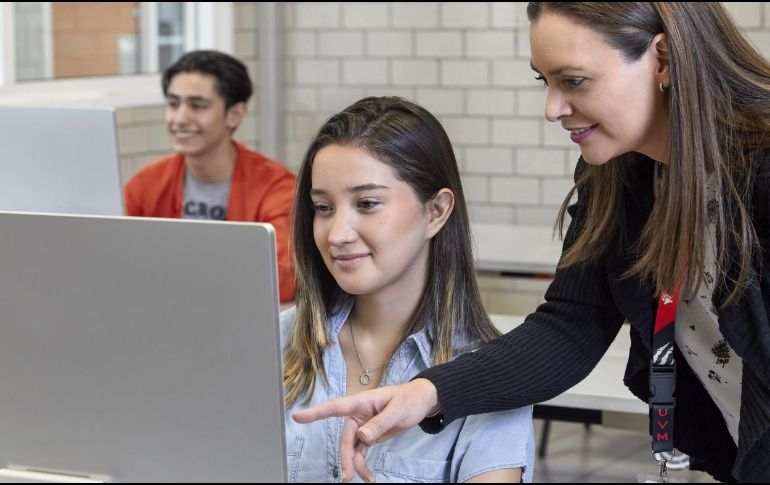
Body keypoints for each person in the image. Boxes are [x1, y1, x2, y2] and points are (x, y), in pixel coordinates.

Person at [293, 3, 770, 482]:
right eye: (546, 82)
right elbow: (571, 327)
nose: (553, 108)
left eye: (574, 81)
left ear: (662, 60)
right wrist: (426, 392)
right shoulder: (622, 174)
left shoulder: (759, 169)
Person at [281, 96, 535, 483]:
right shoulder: (274, 342)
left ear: (435, 211)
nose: (338, 234)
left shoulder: (489, 375)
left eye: (366, 203)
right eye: (323, 207)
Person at [124, 50, 296, 302]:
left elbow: (284, 278)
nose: (180, 118)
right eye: (173, 104)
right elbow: (117, 260)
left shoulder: (278, 188)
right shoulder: (146, 184)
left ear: (234, 114)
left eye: (198, 105)